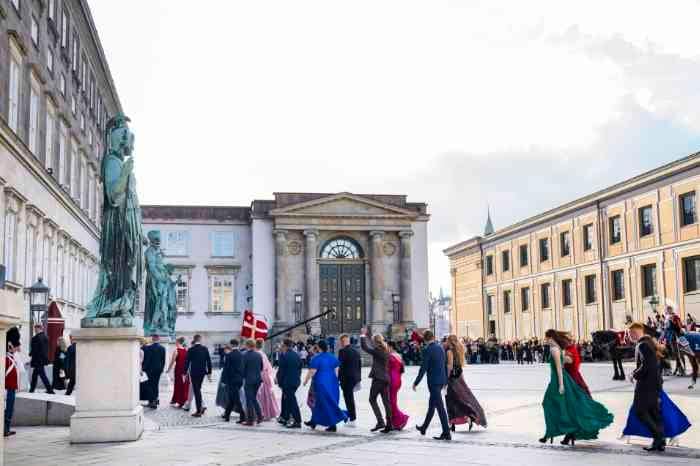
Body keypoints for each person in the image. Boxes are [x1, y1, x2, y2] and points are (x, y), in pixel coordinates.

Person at [540, 329, 613, 446]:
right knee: (563, 406)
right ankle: (560, 432)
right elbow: (566, 362)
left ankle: (563, 432)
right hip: (567, 380)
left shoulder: (561, 349)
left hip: (568, 381)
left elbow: (564, 366)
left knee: (566, 407)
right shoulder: (564, 349)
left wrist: (562, 382)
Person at [628, 322, 666, 452]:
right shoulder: (649, 343)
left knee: (640, 411)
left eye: (631, 333)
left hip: (646, 385)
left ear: (637, 331)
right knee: (654, 412)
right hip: (655, 384)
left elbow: (646, 365)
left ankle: (659, 438)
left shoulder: (643, 345)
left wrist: (634, 374)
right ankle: (660, 442)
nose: (630, 336)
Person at [413, 330, 451, 441]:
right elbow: (444, 364)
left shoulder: (427, 350)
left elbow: (423, 368)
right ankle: (424, 428)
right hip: (441, 381)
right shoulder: (440, 347)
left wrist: (416, 382)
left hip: (433, 382)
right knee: (432, 406)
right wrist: (445, 381)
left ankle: (446, 433)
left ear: (425, 339)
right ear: (433, 337)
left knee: (440, 408)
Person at [303, 339, 347, 432]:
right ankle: (315, 421)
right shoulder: (332, 357)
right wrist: (335, 381)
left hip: (320, 383)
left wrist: (305, 381)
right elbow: (336, 371)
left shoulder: (317, 358)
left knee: (321, 403)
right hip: (332, 382)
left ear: (318, 347)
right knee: (327, 402)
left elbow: (312, 371)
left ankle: (337, 419)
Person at [444, 335, 487, 432]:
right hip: (459, 378)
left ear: (449, 342)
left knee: (452, 401)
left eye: (447, 341)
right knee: (461, 398)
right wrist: (462, 380)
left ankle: (462, 418)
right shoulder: (459, 351)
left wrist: (446, 380)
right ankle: (465, 418)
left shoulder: (449, 352)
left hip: (452, 379)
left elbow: (450, 367)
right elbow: (460, 367)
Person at [360, 328, 393, 433]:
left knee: (372, 399)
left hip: (378, 379)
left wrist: (362, 335)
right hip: (386, 378)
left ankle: (380, 422)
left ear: (375, 341)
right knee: (386, 402)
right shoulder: (386, 349)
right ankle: (389, 424)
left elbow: (365, 347)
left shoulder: (378, 350)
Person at [276, 338, 303, 428]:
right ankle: (285, 417)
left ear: (285, 346)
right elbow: (300, 368)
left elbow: (281, 371)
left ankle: (297, 420)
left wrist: (279, 381)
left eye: (282, 345)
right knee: (286, 399)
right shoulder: (296, 355)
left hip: (287, 382)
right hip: (295, 381)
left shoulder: (284, 356)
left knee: (291, 400)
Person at [184, 334, 213, 417]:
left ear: (194, 339)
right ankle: (201, 408)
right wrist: (209, 372)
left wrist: (184, 372)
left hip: (194, 373)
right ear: (200, 340)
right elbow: (209, 361)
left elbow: (187, 362)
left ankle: (199, 411)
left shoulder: (191, 349)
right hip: (202, 373)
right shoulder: (205, 349)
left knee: (197, 391)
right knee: (198, 390)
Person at [337, 334, 361, 427]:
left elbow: (340, 366)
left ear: (342, 342)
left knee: (348, 398)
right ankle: (352, 418)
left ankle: (352, 419)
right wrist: (358, 378)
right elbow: (359, 365)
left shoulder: (342, 351)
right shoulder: (356, 351)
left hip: (346, 378)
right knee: (350, 398)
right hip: (354, 377)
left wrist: (338, 378)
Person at [255, 339, 280, 421]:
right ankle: (266, 412)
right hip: (264, 375)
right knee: (266, 394)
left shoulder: (257, 353)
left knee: (261, 394)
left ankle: (261, 412)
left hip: (260, 375)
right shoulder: (262, 354)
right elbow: (267, 367)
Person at [222, 339, 246, 423]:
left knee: (236, 398)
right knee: (232, 398)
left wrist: (223, 381)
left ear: (232, 345)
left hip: (232, 380)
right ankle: (227, 415)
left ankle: (243, 415)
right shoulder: (241, 354)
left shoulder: (229, 355)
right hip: (239, 379)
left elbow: (226, 369)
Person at [387, 341, 409, 431]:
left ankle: (401, 419)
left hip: (392, 380)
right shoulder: (398, 355)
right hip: (398, 379)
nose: (387, 348)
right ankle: (395, 422)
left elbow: (387, 368)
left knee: (391, 402)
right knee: (393, 401)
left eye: (387, 346)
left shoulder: (390, 356)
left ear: (391, 347)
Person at [242, 339, 264, 426]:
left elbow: (242, 368)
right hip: (258, 379)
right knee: (254, 398)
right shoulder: (258, 355)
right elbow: (261, 367)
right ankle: (260, 416)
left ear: (247, 345)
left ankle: (250, 420)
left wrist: (243, 376)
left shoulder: (245, 355)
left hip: (249, 380)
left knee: (249, 400)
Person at [141, 334, 166, 409]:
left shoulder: (148, 348)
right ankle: (155, 400)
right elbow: (163, 360)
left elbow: (147, 359)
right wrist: (162, 369)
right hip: (158, 370)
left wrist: (144, 368)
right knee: (156, 385)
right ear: (159, 339)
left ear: (152, 339)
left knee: (150, 385)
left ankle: (152, 401)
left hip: (150, 370)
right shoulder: (162, 348)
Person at [29, 324, 54, 394]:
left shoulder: (36, 338)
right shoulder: (46, 337)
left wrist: (30, 354)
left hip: (37, 360)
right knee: (35, 375)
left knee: (42, 375)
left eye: (35, 329)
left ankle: (50, 390)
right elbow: (45, 350)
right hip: (42, 359)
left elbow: (35, 350)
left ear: (38, 329)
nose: (35, 330)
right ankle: (32, 389)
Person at [168, 337, 189, 408]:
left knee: (177, 385)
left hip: (178, 370)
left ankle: (178, 400)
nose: (175, 343)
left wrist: (168, 369)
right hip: (184, 370)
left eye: (176, 342)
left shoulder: (176, 350)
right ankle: (179, 400)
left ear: (177, 342)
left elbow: (172, 361)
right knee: (183, 385)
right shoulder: (186, 350)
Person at [5, 339, 19, 437]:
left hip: (11, 388)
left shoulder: (11, 358)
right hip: (8, 389)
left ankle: (7, 428)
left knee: (10, 409)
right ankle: (5, 429)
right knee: (8, 409)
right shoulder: (6, 359)